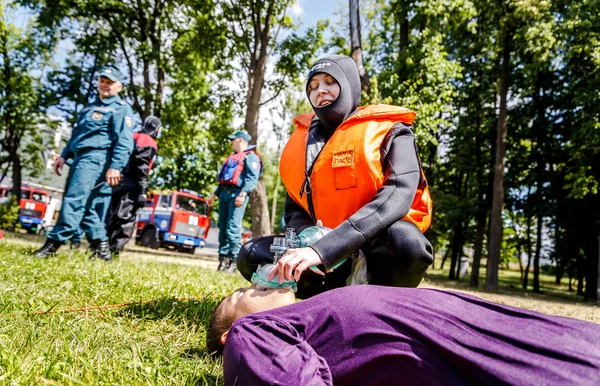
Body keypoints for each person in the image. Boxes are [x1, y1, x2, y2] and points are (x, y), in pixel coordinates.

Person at [237, 54, 433, 299]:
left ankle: (378, 306)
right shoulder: (303, 140)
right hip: (322, 261)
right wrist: (307, 238)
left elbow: (398, 195)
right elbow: (293, 210)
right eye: (313, 86)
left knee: (406, 241)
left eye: (330, 82)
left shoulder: (393, 130)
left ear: (349, 85)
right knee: (251, 254)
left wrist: (325, 248)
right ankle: (327, 298)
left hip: (377, 254)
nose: (321, 91)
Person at [207, 285, 600, 385]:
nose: (253, 286)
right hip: (518, 362)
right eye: (240, 294)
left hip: (538, 330)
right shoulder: (249, 333)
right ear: (228, 335)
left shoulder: (302, 314)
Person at [34, 65, 134, 261]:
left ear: (119, 87)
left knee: (73, 200)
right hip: (79, 158)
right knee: (87, 206)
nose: (104, 85)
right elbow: (77, 137)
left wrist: (115, 166)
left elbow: (124, 141)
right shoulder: (89, 107)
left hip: (96, 159)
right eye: (102, 81)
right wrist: (64, 156)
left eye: (109, 82)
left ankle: (52, 245)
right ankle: (102, 249)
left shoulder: (120, 109)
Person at [207, 130, 261, 273]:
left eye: (234, 139)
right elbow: (223, 181)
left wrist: (243, 194)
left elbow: (251, 178)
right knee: (223, 228)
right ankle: (223, 259)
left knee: (232, 228)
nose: (232, 142)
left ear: (241, 140)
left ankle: (235, 261)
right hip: (224, 194)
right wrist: (213, 196)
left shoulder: (251, 157)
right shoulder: (232, 158)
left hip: (237, 195)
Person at [107, 115, 161, 255]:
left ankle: (101, 248)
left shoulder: (131, 136)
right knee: (125, 220)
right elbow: (141, 167)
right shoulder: (148, 142)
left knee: (111, 217)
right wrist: (143, 190)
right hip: (131, 186)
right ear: (155, 129)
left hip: (116, 182)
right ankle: (113, 252)